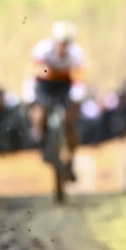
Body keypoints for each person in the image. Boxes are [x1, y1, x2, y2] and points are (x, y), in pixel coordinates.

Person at [23, 21, 86, 181]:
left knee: (70, 119)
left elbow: (79, 79)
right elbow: (33, 72)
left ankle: (70, 156)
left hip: (64, 85)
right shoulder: (43, 49)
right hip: (44, 84)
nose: (63, 48)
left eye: (66, 45)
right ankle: (40, 135)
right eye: (60, 44)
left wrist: (76, 97)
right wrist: (31, 95)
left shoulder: (77, 53)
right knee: (40, 110)